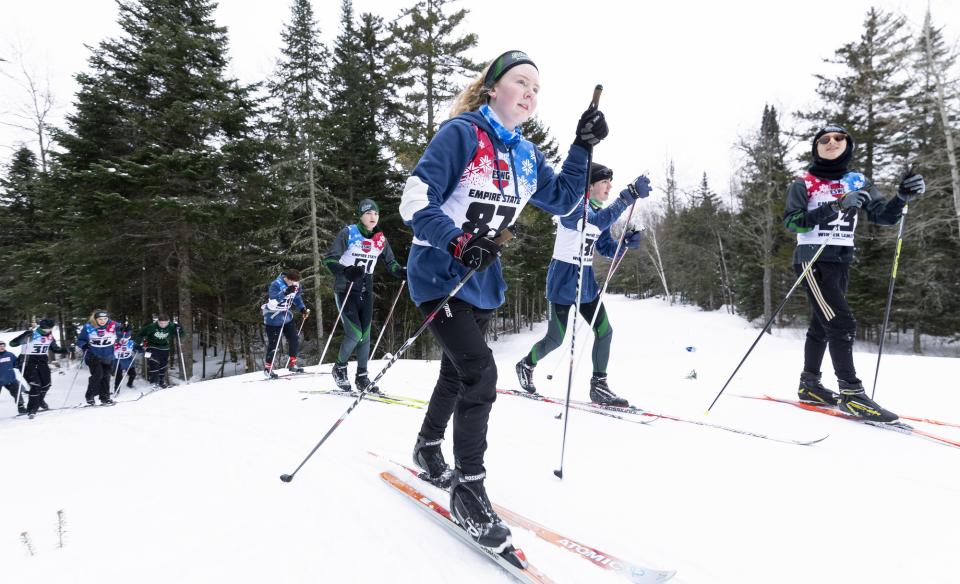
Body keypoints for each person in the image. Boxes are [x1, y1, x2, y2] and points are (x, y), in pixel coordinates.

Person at [399, 49, 606, 550]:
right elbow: (414, 200)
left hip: (482, 282)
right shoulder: (462, 134)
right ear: (493, 88)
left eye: (537, 87)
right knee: (480, 372)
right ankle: (469, 490)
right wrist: (454, 239)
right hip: (438, 274)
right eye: (521, 81)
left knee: (458, 370)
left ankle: (428, 446)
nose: (531, 92)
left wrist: (581, 147)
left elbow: (560, 199)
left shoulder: (525, 154)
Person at [783, 124, 925, 423]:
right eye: (824, 140)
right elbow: (794, 222)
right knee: (841, 322)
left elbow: (884, 217)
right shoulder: (804, 182)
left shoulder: (857, 181)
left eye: (838, 138)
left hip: (841, 260)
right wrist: (835, 205)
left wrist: (901, 196)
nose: (831, 142)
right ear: (816, 147)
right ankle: (851, 393)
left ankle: (809, 385)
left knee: (822, 324)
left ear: (848, 145)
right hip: (813, 259)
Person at [515, 162, 648, 406]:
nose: (609, 187)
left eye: (610, 182)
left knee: (604, 331)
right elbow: (595, 223)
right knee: (556, 339)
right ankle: (526, 364)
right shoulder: (575, 206)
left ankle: (599, 386)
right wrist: (627, 196)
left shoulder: (599, 212)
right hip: (563, 281)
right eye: (604, 182)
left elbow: (605, 246)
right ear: (590, 186)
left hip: (585, 283)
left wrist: (624, 243)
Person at [323, 198, 406, 393]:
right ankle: (339, 368)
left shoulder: (380, 239)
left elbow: (391, 263)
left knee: (365, 336)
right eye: (368, 213)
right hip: (346, 289)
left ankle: (362, 377)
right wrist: (345, 271)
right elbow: (329, 260)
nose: (373, 217)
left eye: (376, 213)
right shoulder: (349, 233)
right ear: (360, 215)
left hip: (365, 290)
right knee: (355, 333)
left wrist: (401, 271)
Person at [9, 318, 69, 417]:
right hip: (28, 361)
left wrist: (65, 349)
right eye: (46, 329)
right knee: (36, 386)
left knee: (46, 384)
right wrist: (23, 337)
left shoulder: (50, 336)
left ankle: (39, 401)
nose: (48, 330)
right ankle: (32, 409)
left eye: (50, 328)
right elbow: (12, 344)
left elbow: (55, 349)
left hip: (42, 361)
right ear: (42, 327)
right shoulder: (31, 334)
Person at [260, 270, 309, 378]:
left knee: (294, 338)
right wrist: (285, 292)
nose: (294, 284)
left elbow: (297, 298)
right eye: (292, 282)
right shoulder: (276, 284)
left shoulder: (295, 284)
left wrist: (302, 309)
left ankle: (292, 364)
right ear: (287, 278)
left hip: (286, 317)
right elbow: (272, 303)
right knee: (274, 344)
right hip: (273, 317)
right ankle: (268, 369)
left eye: (296, 282)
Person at [77, 309, 122, 405]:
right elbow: (80, 340)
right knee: (98, 375)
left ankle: (105, 397)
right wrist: (84, 345)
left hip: (108, 356)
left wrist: (127, 330)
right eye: (100, 319)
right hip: (93, 355)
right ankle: (90, 395)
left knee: (106, 377)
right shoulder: (88, 327)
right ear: (95, 319)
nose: (103, 321)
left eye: (105, 318)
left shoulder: (114, 326)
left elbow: (124, 334)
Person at [135, 314, 182, 388]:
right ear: (158, 322)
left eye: (165, 323)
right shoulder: (151, 327)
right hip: (151, 347)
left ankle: (161, 382)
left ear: (168, 322)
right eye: (161, 323)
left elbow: (182, 335)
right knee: (154, 364)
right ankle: (154, 382)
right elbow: (140, 334)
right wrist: (138, 344)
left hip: (165, 348)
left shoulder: (171, 326)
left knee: (163, 366)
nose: (163, 325)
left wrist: (180, 329)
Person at [0, 339, 27, 413]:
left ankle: (21, 407)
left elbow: (16, 363)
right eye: (0, 346)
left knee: (17, 392)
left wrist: (21, 360)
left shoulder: (9, 355)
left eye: (3, 346)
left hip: (10, 379)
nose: (2, 347)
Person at [113, 323, 140, 391]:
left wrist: (140, 349)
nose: (123, 341)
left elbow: (137, 348)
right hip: (118, 362)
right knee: (119, 377)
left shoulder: (131, 343)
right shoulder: (114, 343)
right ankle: (116, 389)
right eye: (122, 340)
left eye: (126, 339)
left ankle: (129, 384)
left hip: (128, 362)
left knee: (133, 374)